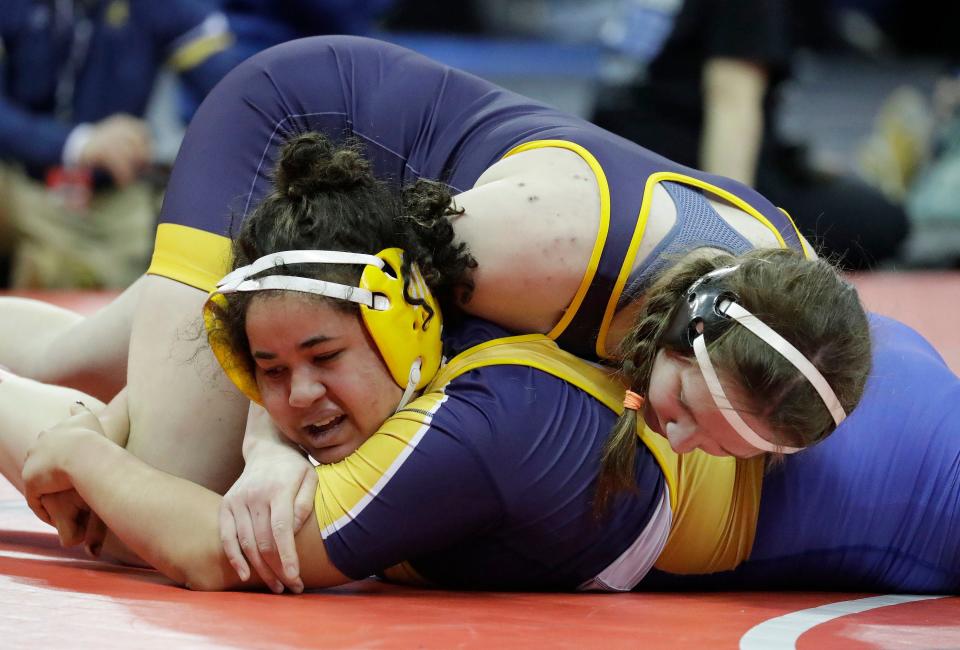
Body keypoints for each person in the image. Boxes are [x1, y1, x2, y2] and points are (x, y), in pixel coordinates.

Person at [0, 36, 880, 585]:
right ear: (691, 328)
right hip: (292, 140)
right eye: (687, 413)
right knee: (167, 492)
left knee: (77, 359)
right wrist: (266, 445)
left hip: (388, 217)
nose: (685, 447)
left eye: (734, 449)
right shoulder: (537, 254)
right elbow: (301, 272)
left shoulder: (784, 298)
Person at [591, 0, 910, 270]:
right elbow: (731, 101)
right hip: (683, 181)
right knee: (883, 220)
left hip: (612, 169)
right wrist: (726, 239)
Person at [0, 0, 242, 288]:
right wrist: (79, 143)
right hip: (18, 184)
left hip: (118, 192)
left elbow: (235, 94)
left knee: (208, 196)